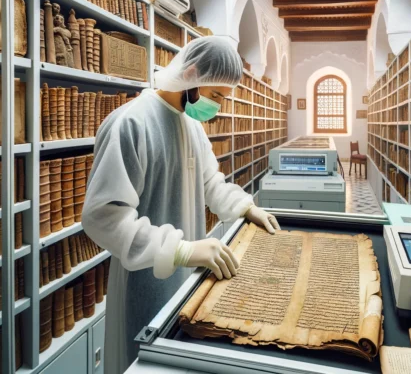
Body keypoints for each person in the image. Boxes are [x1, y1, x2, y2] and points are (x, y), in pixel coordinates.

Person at [82, 37, 280, 374]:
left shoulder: (191, 125)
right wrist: (181, 251)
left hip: (186, 274)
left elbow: (210, 183)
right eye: (216, 95)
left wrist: (247, 207)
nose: (218, 106)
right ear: (190, 74)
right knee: (142, 360)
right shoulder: (131, 123)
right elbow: (103, 217)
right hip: (142, 280)